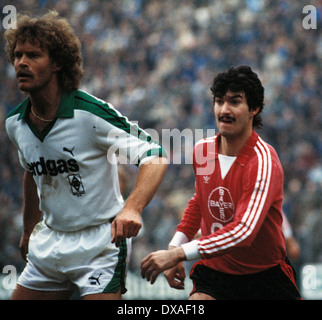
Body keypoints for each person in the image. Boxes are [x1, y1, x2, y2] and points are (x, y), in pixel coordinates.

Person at [4, 11, 168, 300]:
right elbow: (31, 171)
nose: (21, 63)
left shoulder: (90, 114)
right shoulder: (15, 123)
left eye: (33, 55)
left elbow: (155, 155)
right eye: (18, 55)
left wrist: (132, 208)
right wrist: (29, 230)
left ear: (56, 63)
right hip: (50, 242)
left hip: (100, 245)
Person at [141, 66, 301, 300]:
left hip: (264, 278)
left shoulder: (264, 160)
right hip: (215, 274)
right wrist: (175, 246)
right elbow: (199, 202)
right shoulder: (202, 150)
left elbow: (243, 232)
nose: (224, 110)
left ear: (254, 109)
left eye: (235, 102)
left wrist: (179, 255)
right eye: (219, 101)